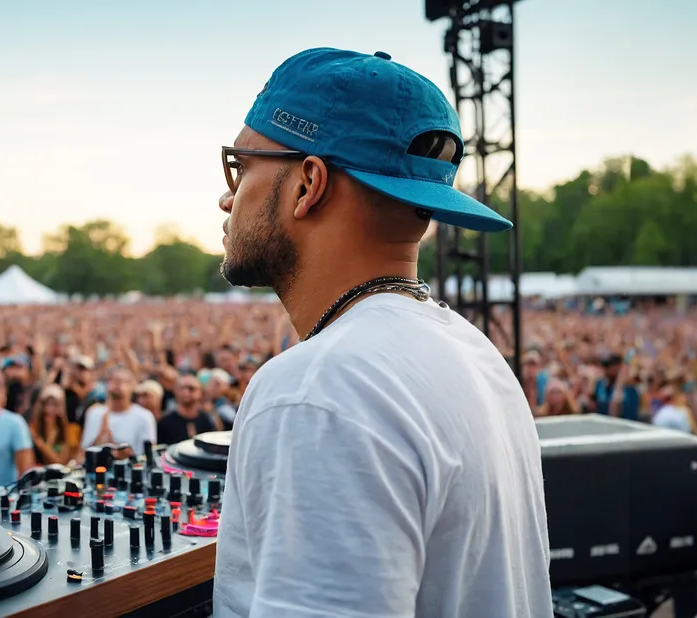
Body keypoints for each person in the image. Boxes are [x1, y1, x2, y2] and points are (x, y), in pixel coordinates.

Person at [212, 48, 552, 618]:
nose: (227, 195)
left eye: (241, 166)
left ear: (308, 184)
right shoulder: (475, 351)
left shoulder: (318, 390)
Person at [80, 367, 155, 457]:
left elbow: (148, 457)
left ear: (133, 386)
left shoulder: (144, 416)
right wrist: (100, 439)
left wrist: (118, 450)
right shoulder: (94, 412)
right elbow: (83, 453)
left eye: (123, 381)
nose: (117, 384)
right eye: (113, 380)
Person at [157, 373, 217, 445]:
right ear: (175, 391)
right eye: (181, 388)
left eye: (191, 388)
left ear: (200, 392)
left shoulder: (207, 420)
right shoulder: (165, 422)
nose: (186, 392)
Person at [29, 384, 80, 465]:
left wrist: (42, 445)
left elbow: (62, 462)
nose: (49, 409)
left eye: (54, 405)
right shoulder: (32, 429)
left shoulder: (68, 431)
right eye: (46, 404)